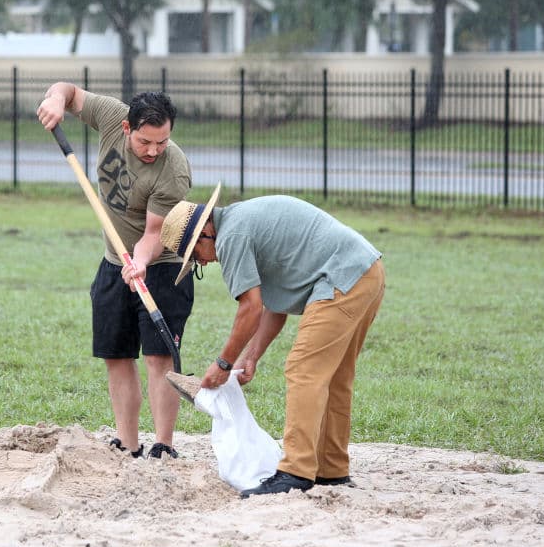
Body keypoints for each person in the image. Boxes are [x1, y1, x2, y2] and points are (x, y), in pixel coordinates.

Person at [159, 187, 385, 496]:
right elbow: (274, 305)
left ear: (204, 233)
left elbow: (251, 308)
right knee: (334, 376)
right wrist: (251, 356)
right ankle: (332, 470)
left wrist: (223, 363)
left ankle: (296, 471)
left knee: (304, 370)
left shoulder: (231, 237)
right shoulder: (242, 221)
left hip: (340, 279)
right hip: (366, 272)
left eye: (195, 256)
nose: (203, 263)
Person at [37, 82, 194, 459]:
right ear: (127, 128)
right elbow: (69, 91)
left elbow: (154, 234)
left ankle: (163, 445)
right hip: (113, 261)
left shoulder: (174, 171)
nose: (155, 150)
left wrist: (139, 262)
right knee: (117, 353)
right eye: (145, 142)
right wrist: (55, 102)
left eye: (162, 142)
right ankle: (128, 443)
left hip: (162, 266)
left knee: (159, 357)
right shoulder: (111, 116)